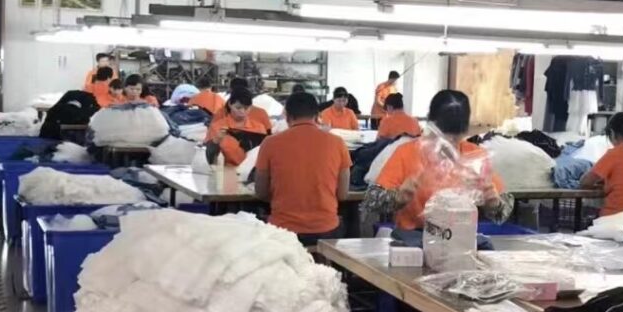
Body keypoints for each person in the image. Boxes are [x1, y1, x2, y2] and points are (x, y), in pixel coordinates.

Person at [372, 90, 512, 230]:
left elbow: (501, 214)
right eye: (442, 135)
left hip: (461, 236)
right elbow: (372, 200)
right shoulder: (406, 153)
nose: (447, 143)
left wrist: (493, 203)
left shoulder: (475, 157)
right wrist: (398, 197)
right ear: (430, 126)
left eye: (455, 137)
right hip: (414, 237)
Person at [254, 92, 352, 246]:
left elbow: (260, 192)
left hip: (283, 231)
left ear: (287, 117)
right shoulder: (338, 143)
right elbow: (342, 194)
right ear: (317, 116)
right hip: (326, 229)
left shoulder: (270, 143)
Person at [205, 87, 271, 166]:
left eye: (246, 108)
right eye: (238, 108)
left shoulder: (259, 128)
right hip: (225, 169)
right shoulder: (217, 127)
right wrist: (216, 141)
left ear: (251, 107)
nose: (242, 112)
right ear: (230, 104)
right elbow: (208, 157)